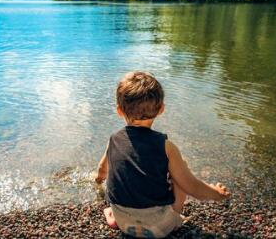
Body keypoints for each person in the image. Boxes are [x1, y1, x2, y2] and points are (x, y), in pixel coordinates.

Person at [95, 71, 231, 238]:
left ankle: (113, 216)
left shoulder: (113, 140)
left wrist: (98, 182)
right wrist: (217, 194)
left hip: (123, 222)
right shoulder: (166, 146)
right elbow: (192, 187)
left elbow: (102, 170)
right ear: (161, 109)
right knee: (182, 167)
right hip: (160, 227)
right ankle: (175, 220)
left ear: (119, 111)